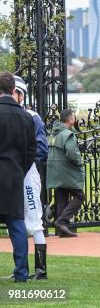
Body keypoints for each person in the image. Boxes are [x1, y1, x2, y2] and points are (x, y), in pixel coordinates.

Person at [0, 72, 37, 282]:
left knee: (16, 225)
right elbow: (32, 149)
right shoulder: (25, 117)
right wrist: (20, 168)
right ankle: (21, 272)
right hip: (14, 175)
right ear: (14, 90)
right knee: (16, 226)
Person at [13, 76, 49, 279]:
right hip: (14, 172)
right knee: (15, 220)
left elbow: (42, 149)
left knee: (34, 218)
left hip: (27, 172)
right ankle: (21, 268)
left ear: (21, 94)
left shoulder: (32, 116)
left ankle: (41, 270)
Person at [47, 108, 85, 237]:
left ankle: (62, 230)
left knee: (62, 198)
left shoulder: (54, 133)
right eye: (74, 117)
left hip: (56, 171)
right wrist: (80, 162)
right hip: (67, 171)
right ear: (70, 120)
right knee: (80, 196)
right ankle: (62, 221)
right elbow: (72, 153)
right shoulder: (68, 134)